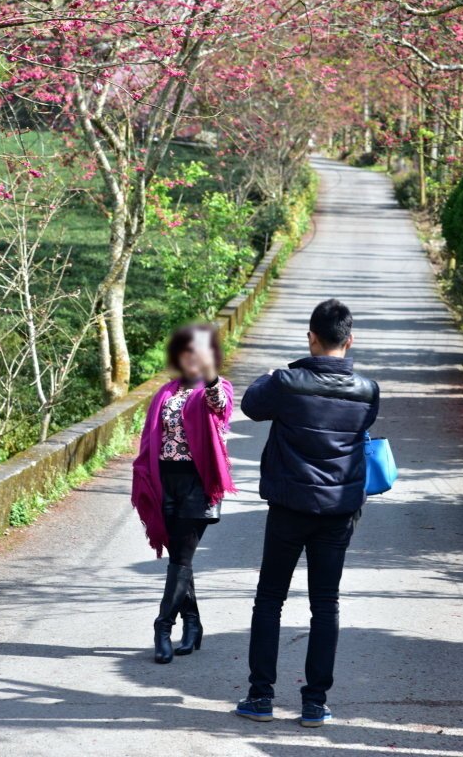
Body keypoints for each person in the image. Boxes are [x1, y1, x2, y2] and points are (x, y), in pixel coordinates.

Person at [235, 299, 379, 727]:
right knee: (326, 604)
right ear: (349, 340)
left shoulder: (287, 381)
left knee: (270, 599)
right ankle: (315, 702)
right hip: (337, 513)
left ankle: (260, 697)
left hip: (289, 507)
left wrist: (275, 374)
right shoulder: (368, 391)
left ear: (311, 337)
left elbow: (251, 406)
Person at [132, 324, 236, 664]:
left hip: (198, 483)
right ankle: (193, 624)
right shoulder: (165, 392)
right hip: (166, 482)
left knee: (181, 559)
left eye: (200, 353)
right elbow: (153, 438)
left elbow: (218, 401)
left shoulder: (215, 390)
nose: (192, 358)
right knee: (181, 558)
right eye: (187, 352)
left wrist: (209, 376)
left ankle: (162, 627)